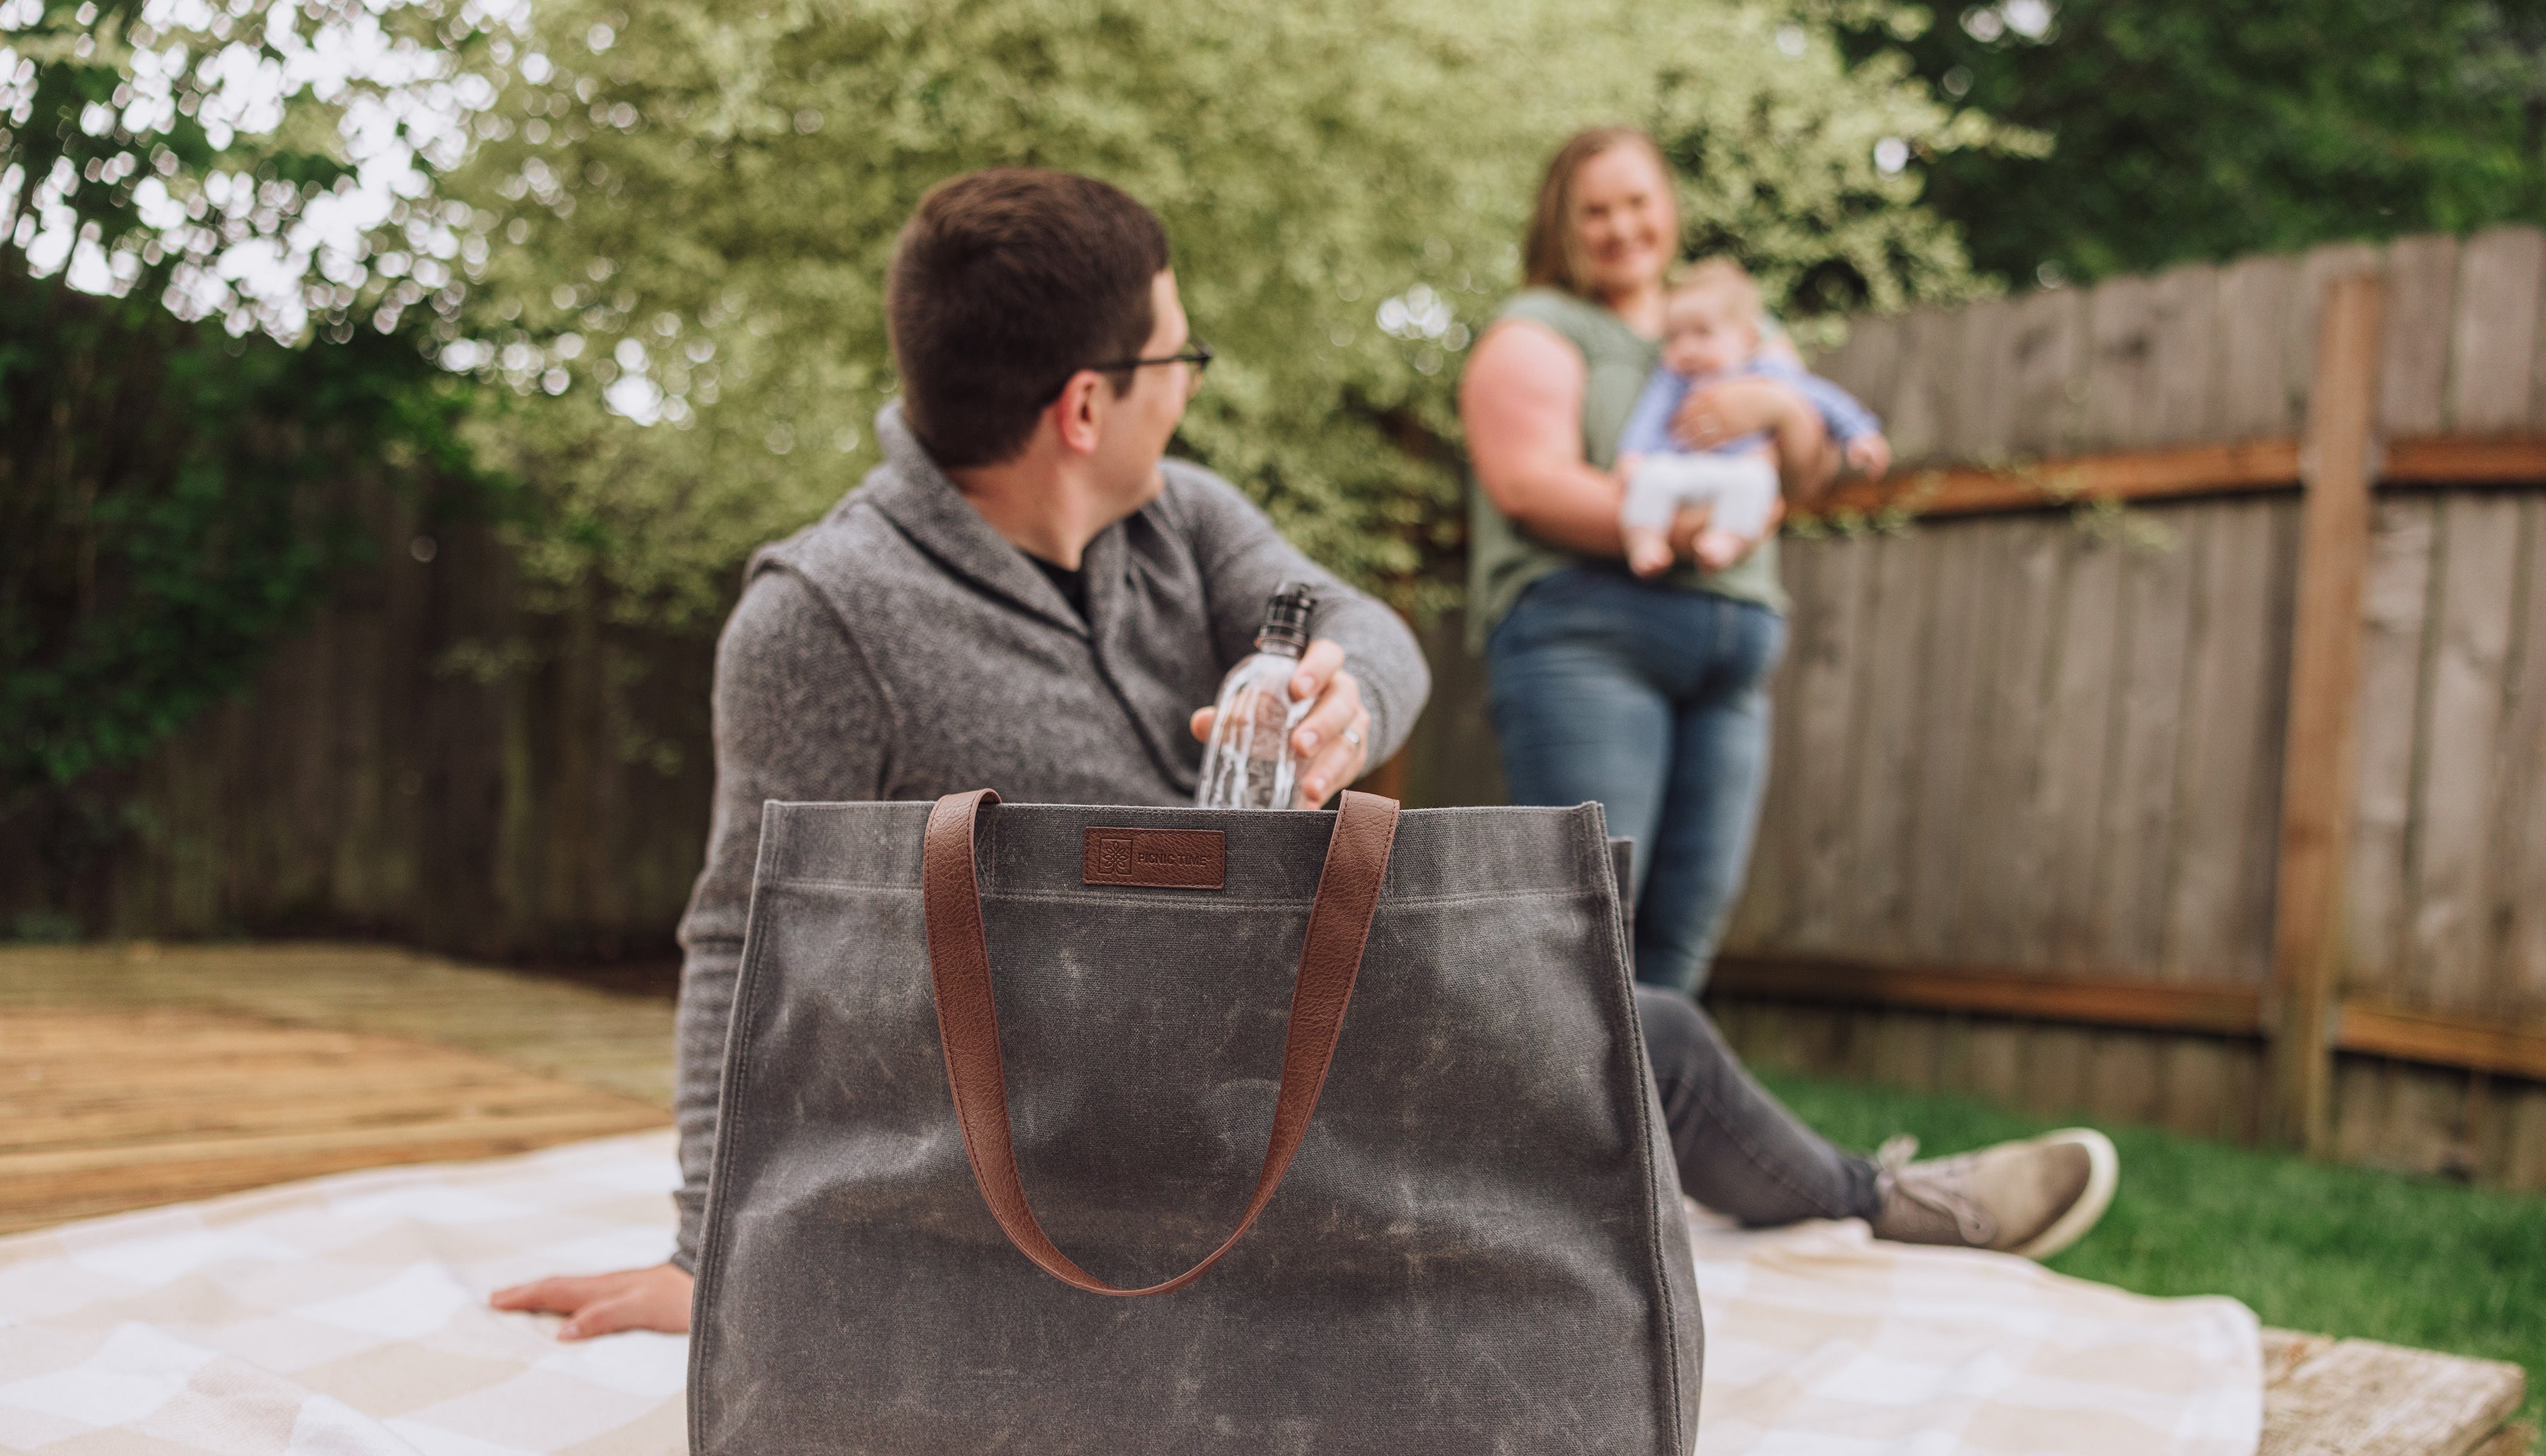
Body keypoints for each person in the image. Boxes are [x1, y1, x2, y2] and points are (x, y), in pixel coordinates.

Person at [493, 168, 2116, 1341]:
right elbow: (740, 936)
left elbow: (1355, 620)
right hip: (1063, 1129)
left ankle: (1878, 1203)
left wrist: (1351, 693)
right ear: (1084, 405)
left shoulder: (1181, 520)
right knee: (1618, 1060)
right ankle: (1873, 1202)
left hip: (1277, 1017)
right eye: (1177, 360)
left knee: (1627, 1020)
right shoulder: (818, 618)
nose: (1189, 390)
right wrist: (710, 1252)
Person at [1463, 127, 1822, 997]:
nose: (1622, 227)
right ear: (1561, 223)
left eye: (1637, 202)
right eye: (1596, 211)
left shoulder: (1734, 324)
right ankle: (1554, 1094)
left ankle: (1654, 1094)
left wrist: (1784, 408)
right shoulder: (1537, 329)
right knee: (1588, 928)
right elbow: (1529, 484)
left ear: (1670, 205)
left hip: (1731, 661)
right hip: (1589, 640)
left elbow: (1807, 471)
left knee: (1682, 941)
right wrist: (1688, 526)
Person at [1618, 259, 1891, 576]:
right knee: (1651, 476)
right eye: (1674, 337)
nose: (1686, 348)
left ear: (1747, 339)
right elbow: (1648, 419)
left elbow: (1821, 398)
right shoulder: (1671, 380)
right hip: (1681, 466)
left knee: (1757, 481)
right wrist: (1633, 455)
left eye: (1702, 333)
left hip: (1738, 468)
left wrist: (1860, 433)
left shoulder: (1767, 372)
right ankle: (1645, 540)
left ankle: (1727, 540)